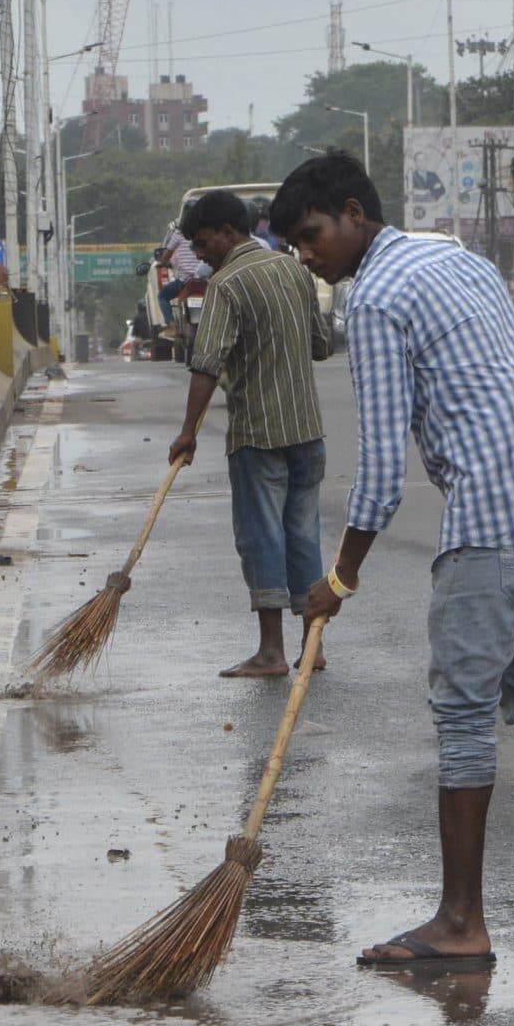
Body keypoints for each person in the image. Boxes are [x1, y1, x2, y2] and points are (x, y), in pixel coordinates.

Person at [274, 149, 514, 971]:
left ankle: (461, 921)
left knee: (466, 714)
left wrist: (340, 576)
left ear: (355, 216)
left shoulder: (375, 298)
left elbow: (378, 468)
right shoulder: (451, 255)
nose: (309, 256)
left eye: (313, 236)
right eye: (297, 244)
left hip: (493, 523)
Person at [168, 189, 336, 679]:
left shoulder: (227, 285)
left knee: (262, 537)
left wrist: (188, 433)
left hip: (257, 432)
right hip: (307, 429)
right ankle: (313, 646)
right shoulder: (293, 270)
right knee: (303, 535)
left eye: (203, 244)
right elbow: (321, 345)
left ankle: (270, 652)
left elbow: (205, 364)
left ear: (227, 232)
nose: (200, 255)